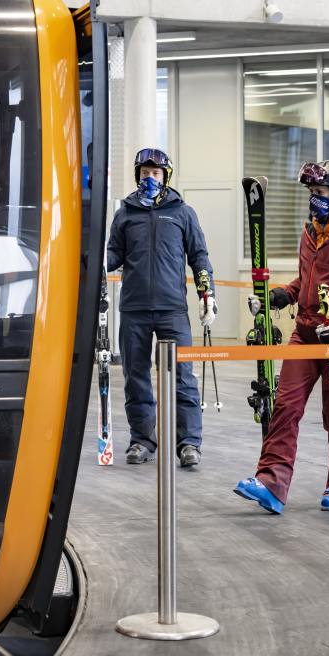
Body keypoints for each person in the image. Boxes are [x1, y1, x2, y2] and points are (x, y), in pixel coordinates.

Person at [234, 160, 329, 514]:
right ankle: (271, 482)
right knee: (286, 405)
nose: (314, 199)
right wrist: (280, 296)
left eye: (320, 192)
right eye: (312, 193)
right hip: (304, 332)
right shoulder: (312, 231)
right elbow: (307, 282)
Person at [106, 148, 216, 468]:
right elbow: (113, 255)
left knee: (183, 377)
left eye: (155, 173)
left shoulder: (183, 213)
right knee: (135, 377)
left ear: (166, 176)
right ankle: (142, 440)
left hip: (173, 310)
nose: (149, 178)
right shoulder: (125, 214)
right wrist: (95, 261)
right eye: (144, 173)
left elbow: (199, 256)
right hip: (134, 309)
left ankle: (189, 443)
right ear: (137, 175)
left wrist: (207, 294)